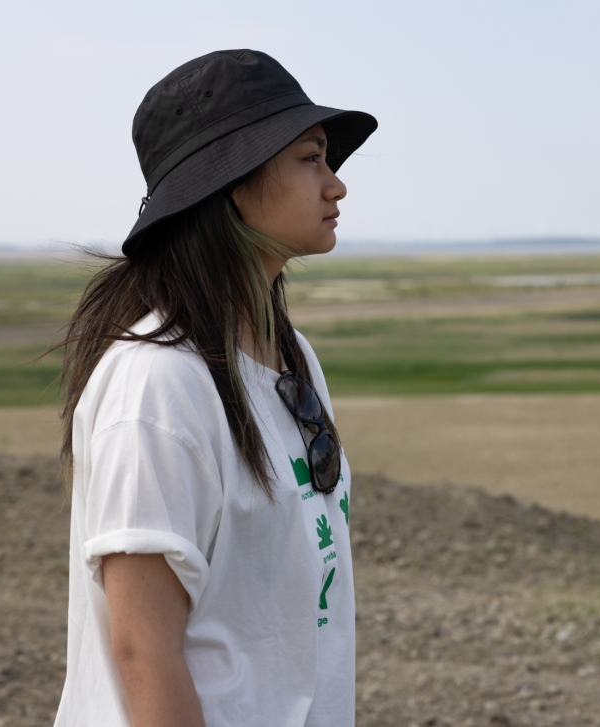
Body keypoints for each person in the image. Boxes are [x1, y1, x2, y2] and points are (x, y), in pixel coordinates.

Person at [51, 49, 377, 727]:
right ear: (231, 182)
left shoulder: (291, 358)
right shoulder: (158, 384)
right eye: (310, 157)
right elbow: (145, 651)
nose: (336, 184)